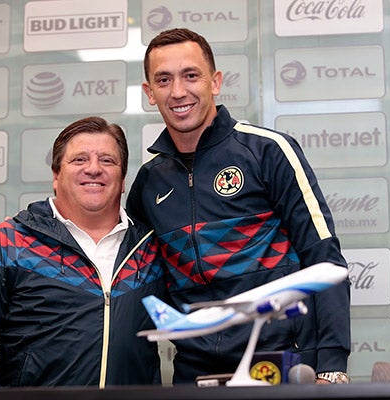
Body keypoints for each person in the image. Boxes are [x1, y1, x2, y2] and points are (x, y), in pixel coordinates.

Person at [126, 28, 351, 385]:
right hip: (193, 370)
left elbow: (323, 256)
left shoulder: (268, 151)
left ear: (215, 82)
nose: (178, 91)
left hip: (282, 360)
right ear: (149, 93)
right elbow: (135, 280)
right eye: (163, 80)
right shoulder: (148, 183)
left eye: (191, 75)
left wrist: (332, 365)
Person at [0, 116, 166, 388]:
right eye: (79, 160)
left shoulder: (150, 249)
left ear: (122, 179)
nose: (94, 169)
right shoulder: (9, 242)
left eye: (107, 160)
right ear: (56, 176)